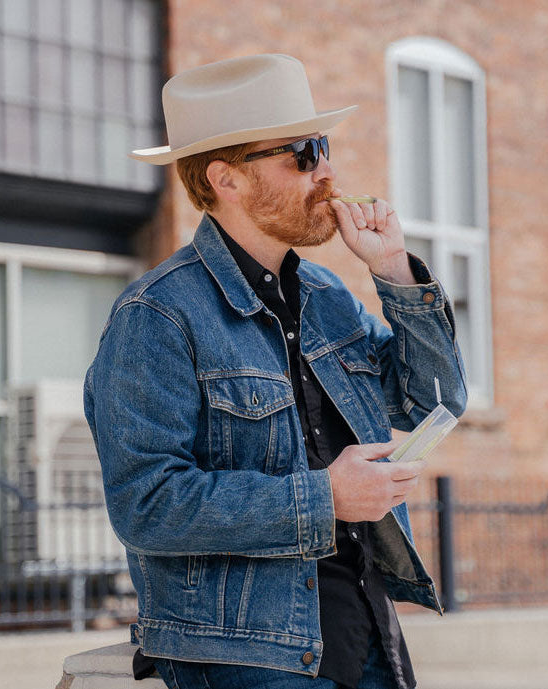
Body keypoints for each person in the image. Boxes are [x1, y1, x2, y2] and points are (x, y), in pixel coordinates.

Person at [84, 54, 467, 689]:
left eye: (324, 146)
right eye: (301, 152)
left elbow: (436, 401)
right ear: (225, 179)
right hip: (245, 654)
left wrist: (396, 272)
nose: (327, 171)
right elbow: (145, 504)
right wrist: (326, 497)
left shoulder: (327, 297)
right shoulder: (156, 316)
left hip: (364, 635)